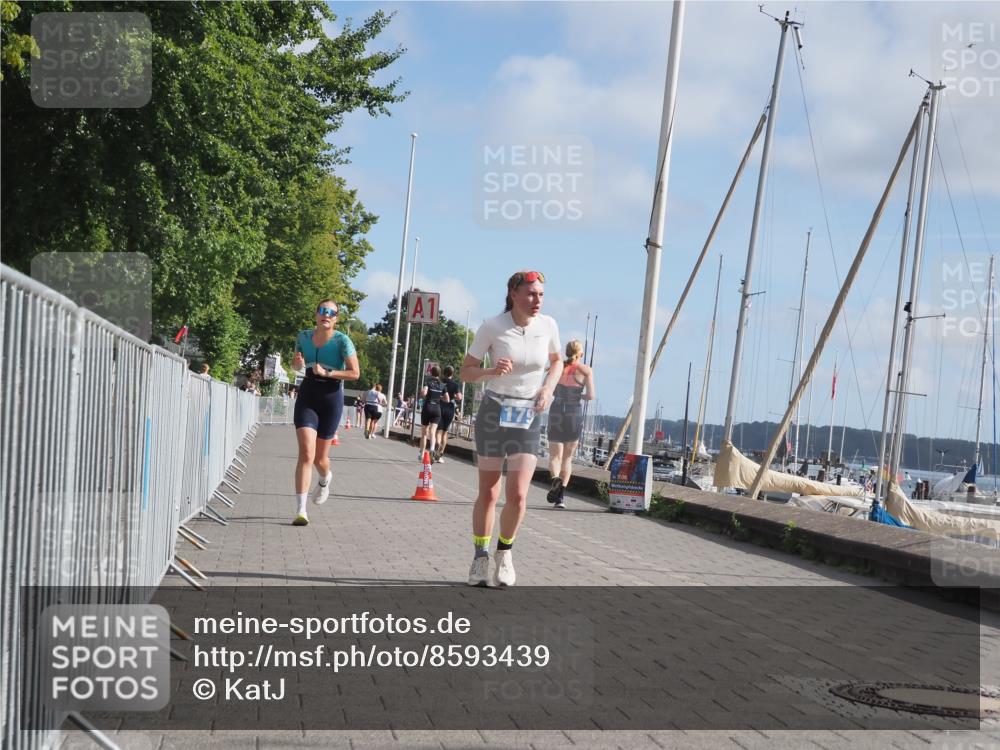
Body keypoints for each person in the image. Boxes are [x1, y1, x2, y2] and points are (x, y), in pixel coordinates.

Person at [460, 270, 561, 587]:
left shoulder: (548, 325)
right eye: (531, 294)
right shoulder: (493, 326)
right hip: (494, 411)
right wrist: (490, 370)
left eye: (541, 295)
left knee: (517, 494)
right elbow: (466, 372)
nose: (537, 301)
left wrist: (547, 389)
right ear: (514, 294)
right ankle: (480, 557)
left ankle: (505, 554)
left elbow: (557, 361)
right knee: (489, 492)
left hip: (528, 412)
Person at [290, 300, 359, 526]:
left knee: (320, 459)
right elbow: (295, 366)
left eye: (331, 313)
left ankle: (325, 478)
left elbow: (355, 373)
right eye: (322, 311)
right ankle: (301, 510)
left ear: (336, 318)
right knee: (306, 454)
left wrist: (328, 372)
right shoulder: (303, 336)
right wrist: (296, 363)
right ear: (316, 314)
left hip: (331, 398)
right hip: (308, 394)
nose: (326, 315)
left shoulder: (342, 341)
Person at [545, 340, 595, 509]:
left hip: (557, 410)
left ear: (566, 352)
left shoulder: (557, 368)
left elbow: (548, 389)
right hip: (574, 413)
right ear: (581, 354)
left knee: (554, 456)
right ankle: (560, 499)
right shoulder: (585, 370)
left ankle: (554, 481)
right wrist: (578, 396)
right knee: (567, 458)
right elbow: (590, 395)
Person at [418, 366, 449, 461]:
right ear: (439, 374)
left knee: (424, 433)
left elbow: (423, 393)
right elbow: (447, 399)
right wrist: (439, 398)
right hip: (437, 408)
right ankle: (431, 449)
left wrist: (425, 396)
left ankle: (422, 454)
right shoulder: (443, 385)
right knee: (433, 431)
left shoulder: (428, 382)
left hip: (427, 407)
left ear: (431, 373)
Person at [435, 365, 462, 463]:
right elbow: (459, 397)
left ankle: (436, 446)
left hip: (439, 407)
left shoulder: (440, 382)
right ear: (452, 374)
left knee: (438, 431)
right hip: (450, 409)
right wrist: (454, 396)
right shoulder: (455, 385)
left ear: (444, 373)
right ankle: (440, 454)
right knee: (445, 432)